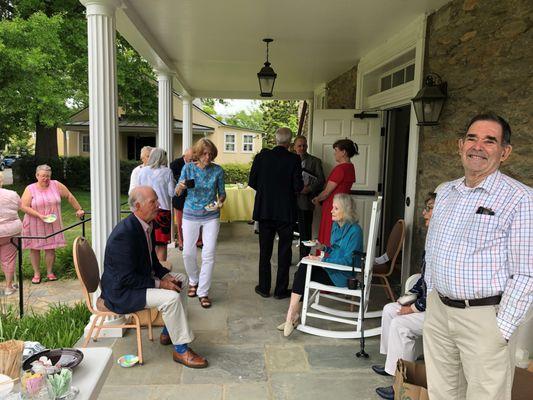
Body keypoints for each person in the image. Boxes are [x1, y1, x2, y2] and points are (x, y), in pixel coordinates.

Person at [423, 112, 532, 400]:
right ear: (461, 145)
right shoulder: (446, 192)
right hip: (439, 312)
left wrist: (502, 328)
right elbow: (433, 245)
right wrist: (431, 292)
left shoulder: (520, 198)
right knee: (441, 393)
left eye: (489, 141)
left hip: (484, 318)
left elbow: (527, 271)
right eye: (472, 138)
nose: (478, 147)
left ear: (504, 152)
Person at [101, 186, 207, 368]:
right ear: (137, 206)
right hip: (123, 292)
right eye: (153, 202)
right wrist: (160, 284)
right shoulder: (124, 235)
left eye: (157, 200)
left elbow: (152, 262)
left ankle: (168, 331)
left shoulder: (145, 224)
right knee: (171, 298)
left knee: (181, 279)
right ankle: (181, 350)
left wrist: (166, 276)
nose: (158, 204)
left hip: (136, 281)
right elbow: (126, 278)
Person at [372, 192, 436, 400]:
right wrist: (409, 297)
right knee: (390, 309)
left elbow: (438, 288)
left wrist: (414, 308)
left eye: (429, 208)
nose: (424, 213)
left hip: (438, 311)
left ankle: (402, 385)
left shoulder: (444, 243)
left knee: (402, 324)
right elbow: (424, 280)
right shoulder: (432, 238)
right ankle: (392, 366)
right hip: (427, 304)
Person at [278, 193, 363, 336]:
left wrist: (322, 260)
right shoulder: (336, 225)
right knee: (303, 269)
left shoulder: (355, 231)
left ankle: (290, 317)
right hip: (332, 269)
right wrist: (322, 247)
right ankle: (293, 316)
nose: (331, 210)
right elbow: (336, 251)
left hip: (343, 275)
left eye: (336, 208)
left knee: (305, 270)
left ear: (346, 211)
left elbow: (348, 261)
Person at [249, 127, 303, 299]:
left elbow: (252, 181)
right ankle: (280, 290)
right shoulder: (294, 159)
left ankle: (264, 288)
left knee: (265, 251)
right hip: (286, 212)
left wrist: (267, 193)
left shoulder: (261, 157)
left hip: (265, 210)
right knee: (284, 251)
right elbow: (298, 186)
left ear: (275, 139)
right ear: (290, 142)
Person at [176, 138, 225, 309]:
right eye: (205, 153)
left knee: (208, 253)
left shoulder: (218, 170)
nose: (208, 157)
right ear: (198, 153)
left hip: (211, 215)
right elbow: (177, 190)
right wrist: (181, 187)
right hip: (190, 214)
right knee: (188, 253)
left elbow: (222, 193)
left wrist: (220, 201)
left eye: (211, 154)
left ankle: (203, 291)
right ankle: (194, 280)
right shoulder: (188, 168)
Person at [21, 164, 85, 283]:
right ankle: (36, 273)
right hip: (34, 223)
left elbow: (69, 196)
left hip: (52, 223)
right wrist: (39, 215)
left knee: (50, 248)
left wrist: (78, 209)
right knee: (35, 248)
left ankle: (50, 272)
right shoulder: (30, 188)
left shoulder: (56, 185)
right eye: (43, 176)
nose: (45, 178)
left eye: (48, 176)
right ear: (37, 175)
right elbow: (23, 206)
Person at [312, 139, 357, 246]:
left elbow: (327, 192)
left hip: (333, 207)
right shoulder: (351, 167)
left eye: (336, 150)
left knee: (329, 235)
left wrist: (317, 199)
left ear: (344, 152)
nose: (334, 153)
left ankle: (327, 259)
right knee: (338, 235)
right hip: (343, 206)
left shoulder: (340, 169)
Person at [138, 147, 176, 262]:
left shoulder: (143, 171)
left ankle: (149, 269)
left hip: (145, 210)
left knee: (148, 242)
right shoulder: (167, 171)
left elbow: (139, 189)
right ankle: (161, 270)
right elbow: (171, 193)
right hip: (162, 210)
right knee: (162, 244)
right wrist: (177, 185)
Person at [293, 135, 325, 259]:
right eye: (299, 145)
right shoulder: (289, 160)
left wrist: (309, 188)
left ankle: (304, 259)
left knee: (305, 233)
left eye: (304, 145)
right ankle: (287, 258)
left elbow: (321, 180)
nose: (302, 148)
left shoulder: (315, 161)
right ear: (294, 147)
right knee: (288, 233)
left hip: (305, 202)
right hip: (290, 202)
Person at [170, 148, 202, 251]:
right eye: (191, 159)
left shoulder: (197, 163)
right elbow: (173, 178)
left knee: (196, 220)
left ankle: (198, 240)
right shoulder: (175, 164)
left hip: (194, 197)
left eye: (194, 159)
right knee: (180, 222)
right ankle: (181, 241)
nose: (192, 161)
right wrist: (185, 180)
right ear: (185, 156)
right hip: (180, 197)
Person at [0, 172, 22, 295]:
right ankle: (8, 287)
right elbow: (19, 207)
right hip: (10, 232)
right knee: (8, 259)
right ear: (1, 181)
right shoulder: (12, 194)